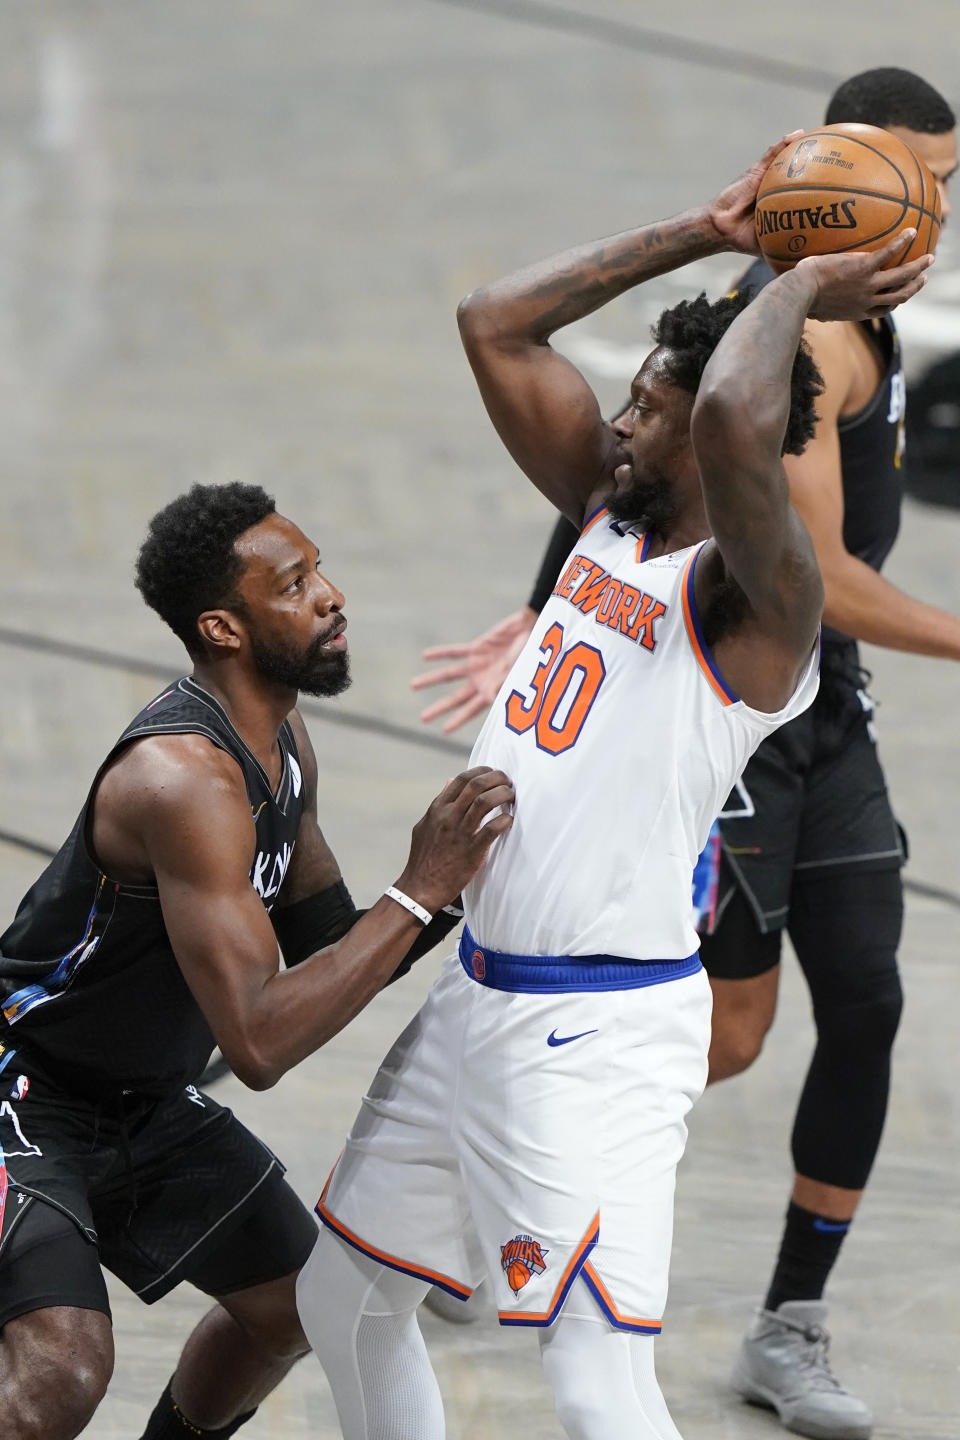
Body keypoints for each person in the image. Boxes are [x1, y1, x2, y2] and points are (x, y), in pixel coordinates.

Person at [294, 137, 930, 1439]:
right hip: (478, 997)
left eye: (644, 407)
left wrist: (796, 285)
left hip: (597, 1039)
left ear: (701, 442)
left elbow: (737, 415)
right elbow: (496, 323)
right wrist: (705, 230)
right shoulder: (609, 514)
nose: (620, 420)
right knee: (344, 1298)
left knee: (596, 1386)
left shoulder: (758, 607)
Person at [0, 480, 514, 1440]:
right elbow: (260, 1043)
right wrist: (417, 890)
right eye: (294, 584)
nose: (332, 595)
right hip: (24, 1092)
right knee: (63, 1369)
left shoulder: (283, 744)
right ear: (223, 628)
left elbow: (333, 946)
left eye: (319, 569)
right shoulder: (182, 779)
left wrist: (474, 888)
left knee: (294, 1307)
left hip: (138, 1101)